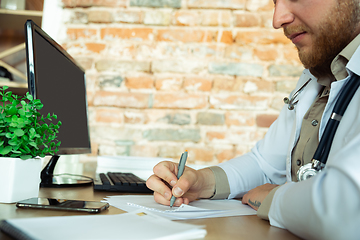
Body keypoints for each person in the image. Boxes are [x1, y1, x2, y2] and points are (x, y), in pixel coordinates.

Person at [146, 0, 360, 239]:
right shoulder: (322, 73)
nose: (277, 19)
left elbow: (346, 206)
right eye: (275, 2)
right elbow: (266, 165)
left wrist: (275, 199)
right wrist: (201, 182)